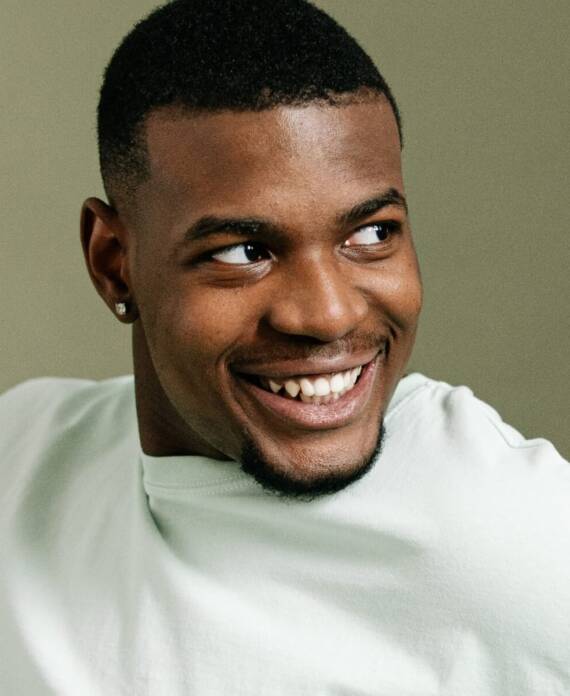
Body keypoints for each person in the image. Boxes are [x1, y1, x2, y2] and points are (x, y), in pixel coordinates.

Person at [1, 0, 568, 693]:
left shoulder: (519, 538)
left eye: (372, 234)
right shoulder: (24, 459)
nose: (328, 314)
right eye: (244, 251)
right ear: (114, 263)